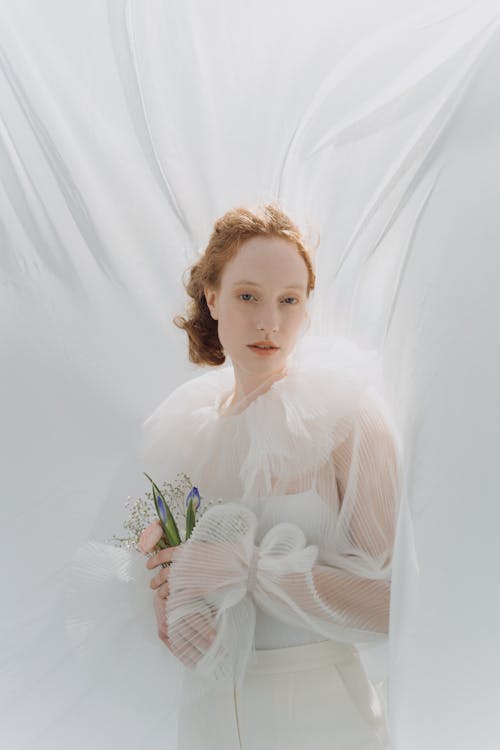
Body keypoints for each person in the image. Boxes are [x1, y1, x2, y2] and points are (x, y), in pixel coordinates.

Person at [138, 202, 403, 750]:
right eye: (247, 295)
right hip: (208, 715)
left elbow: (399, 605)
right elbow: (187, 593)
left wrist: (250, 569)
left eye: (289, 300)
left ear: (308, 306)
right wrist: (174, 593)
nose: (269, 322)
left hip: (319, 715)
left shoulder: (345, 416)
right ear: (211, 297)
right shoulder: (187, 433)